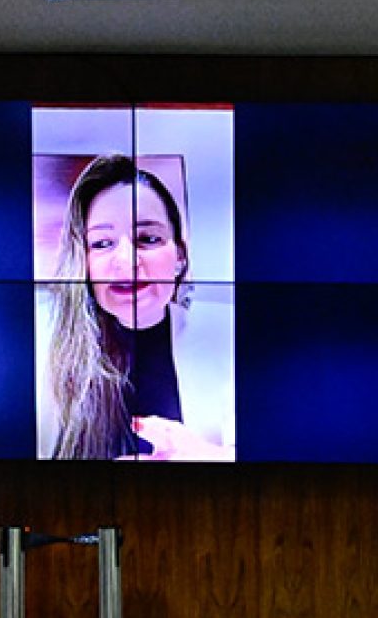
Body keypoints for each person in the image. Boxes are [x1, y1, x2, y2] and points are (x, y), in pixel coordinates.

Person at [38, 153, 234, 460]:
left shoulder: (230, 332)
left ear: (180, 255)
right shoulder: (40, 341)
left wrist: (204, 457)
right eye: (102, 243)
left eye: (148, 238)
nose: (127, 262)